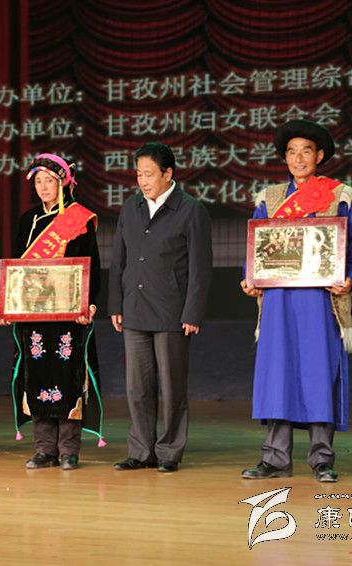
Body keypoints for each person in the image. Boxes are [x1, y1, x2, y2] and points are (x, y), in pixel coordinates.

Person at [239, 120, 352, 483]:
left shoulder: (337, 196)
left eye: (306, 151)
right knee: (277, 374)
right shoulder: (269, 199)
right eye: (292, 152)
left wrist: (350, 278)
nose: (298, 159)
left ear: (319, 155)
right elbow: (256, 246)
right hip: (278, 301)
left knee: (317, 374)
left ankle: (322, 458)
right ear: (285, 158)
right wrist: (250, 277)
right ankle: (275, 457)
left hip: (319, 301)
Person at [108, 142, 212, 473]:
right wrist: (116, 303)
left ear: (168, 174)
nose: (143, 181)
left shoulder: (190, 210)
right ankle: (141, 451)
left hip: (172, 312)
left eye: (149, 174)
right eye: (139, 174)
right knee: (137, 387)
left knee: (171, 387)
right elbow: (118, 260)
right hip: (134, 308)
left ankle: (168, 452)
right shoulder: (131, 207)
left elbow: (200, 268)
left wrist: (192, 312)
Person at [0, 153, 103, 470]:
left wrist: (89, 303)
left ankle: (68, 449)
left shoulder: (79, 219)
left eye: (49, 181)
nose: (43, 187)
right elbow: (16, 268)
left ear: (63, 183)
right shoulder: (27, 220)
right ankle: (44, 449)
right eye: (39, 181)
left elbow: (92, 266)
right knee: (37, 375)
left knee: (69, 377)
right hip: (35, 314)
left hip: (68, 313)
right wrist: (6, 303)